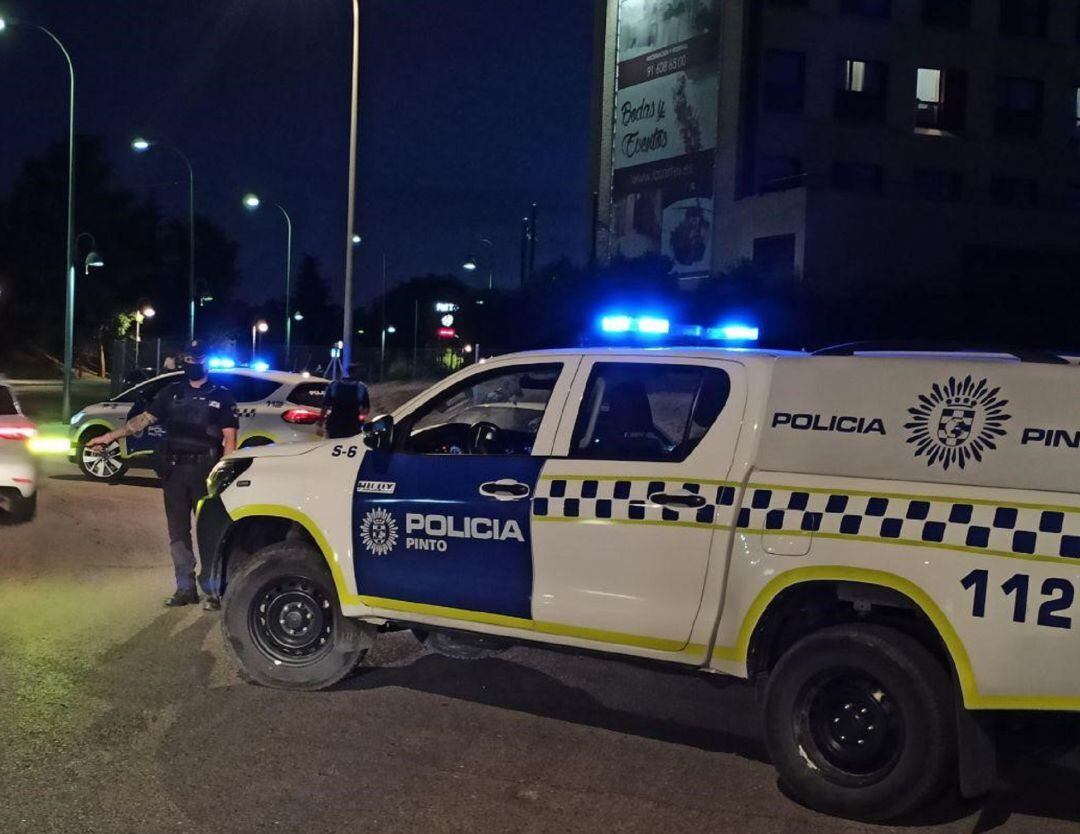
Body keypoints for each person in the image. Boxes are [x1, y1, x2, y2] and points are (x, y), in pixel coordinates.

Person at [87, 342, 238, 609]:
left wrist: (223, 474)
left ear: (206, 363)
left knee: (210, 531)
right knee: (178, 532)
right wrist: (108, 437)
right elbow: (141, 422)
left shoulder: (222, 396)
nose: (192, 363)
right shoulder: (172, 393)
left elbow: (229, 440)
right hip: (175, 472)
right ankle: (185, 588)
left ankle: (215, 591)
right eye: (188, 358)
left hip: (206, 472)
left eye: (197, 359)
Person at [318, 363, 371, 439]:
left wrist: (320, 421)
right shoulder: (361, 387)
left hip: (335, 424)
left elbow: (325, 406)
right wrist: (360, 418)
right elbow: (366, 409)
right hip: (353, 425)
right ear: (357, 373)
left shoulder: (334, 385)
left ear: (348, 372)